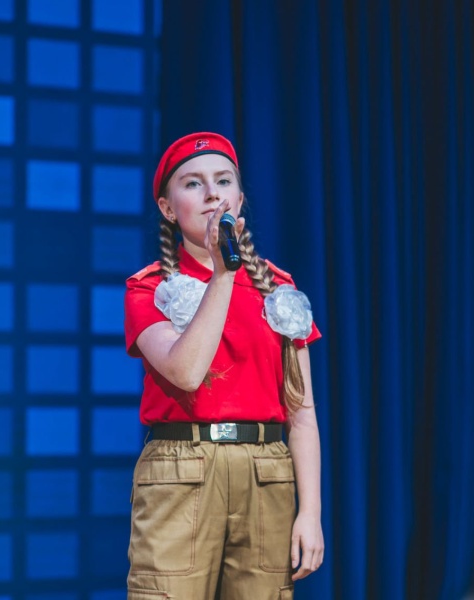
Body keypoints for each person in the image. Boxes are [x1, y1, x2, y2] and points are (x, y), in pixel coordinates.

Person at [124, 132, 324, 600]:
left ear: (239, 198)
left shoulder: (279, 289)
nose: (212, 193)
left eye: (223, 181)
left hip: (265, 472)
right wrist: (223, 273)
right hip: (182, 472)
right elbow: (186, 372)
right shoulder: (149, 288)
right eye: (193, 183)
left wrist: (310, 512)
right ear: (168, 208)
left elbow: (302, 412)